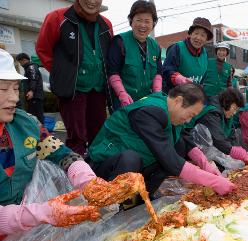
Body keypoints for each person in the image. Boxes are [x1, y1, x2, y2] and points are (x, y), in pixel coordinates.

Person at [0, 49, 100, 238]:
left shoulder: (26, 124)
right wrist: (39, 214)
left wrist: (85, 179)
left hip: (21, 236)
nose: (13, 97)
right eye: (3, 89)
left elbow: (61, 153)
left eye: (15, 88)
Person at [88, 84, 235, 198]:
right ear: (178, 101)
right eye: (190, 114)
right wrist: (212, 181)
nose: (189, 120)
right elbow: (168, 158)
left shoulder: (170, 112)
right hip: (104, 167)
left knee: (179, 146)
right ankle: (116, 204)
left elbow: (185, 139)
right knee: (131, 159)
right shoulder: (150, 112)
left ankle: (142, 197)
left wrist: (206, 164)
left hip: (138, 164)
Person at [36, 0, 113, 156]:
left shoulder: (106, 24)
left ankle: (96, 173)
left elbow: (108, 55)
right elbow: (42, 49)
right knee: (76, 138)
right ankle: (76, 174)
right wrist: (63, 74)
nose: (92, 1)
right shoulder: (57, 18)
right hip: (72, 89)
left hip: (98, 89)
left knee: (98, 135)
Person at [107, 0, 162, 109]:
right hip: (124, 101)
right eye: (138, 20)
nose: (143, 25)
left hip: (147, 101)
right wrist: (122, 94)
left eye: (147, 21)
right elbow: (113, 72)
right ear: (131, 21)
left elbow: (158, 72)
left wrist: (157, 93)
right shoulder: (120, 42)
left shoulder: (155, 46)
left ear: (153, 23)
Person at [187, 88, 248, 167]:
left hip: (210, 153)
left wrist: (239, 152)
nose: (234, 113)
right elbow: (218, 138)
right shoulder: (211, 112)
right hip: (192, 151)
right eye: (234, 108)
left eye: (237, 110)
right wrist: (235, 152)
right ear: (226, 102)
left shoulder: (226, 114)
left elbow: (231, 134)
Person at [163, 17, 213, 93]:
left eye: (203, 35)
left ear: (206, 39)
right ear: (190, 34)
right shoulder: (177, 48)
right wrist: (178, 78)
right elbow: (166, 70)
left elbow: (205, 78)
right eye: (196, 33)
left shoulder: (205, 53)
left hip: (193, 97)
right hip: (174, 96)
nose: (198, 38)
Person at [15, 53, 44, 124]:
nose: (20, 64)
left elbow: (33, 79)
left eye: (20, 62)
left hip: (35, 95)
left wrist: (31, 91)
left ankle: (42, 131)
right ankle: (36, 129)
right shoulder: (28, 68)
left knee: (37, 113)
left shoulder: (31, 67)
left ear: (24, 60)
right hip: (33, 95)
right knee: (33, 113)